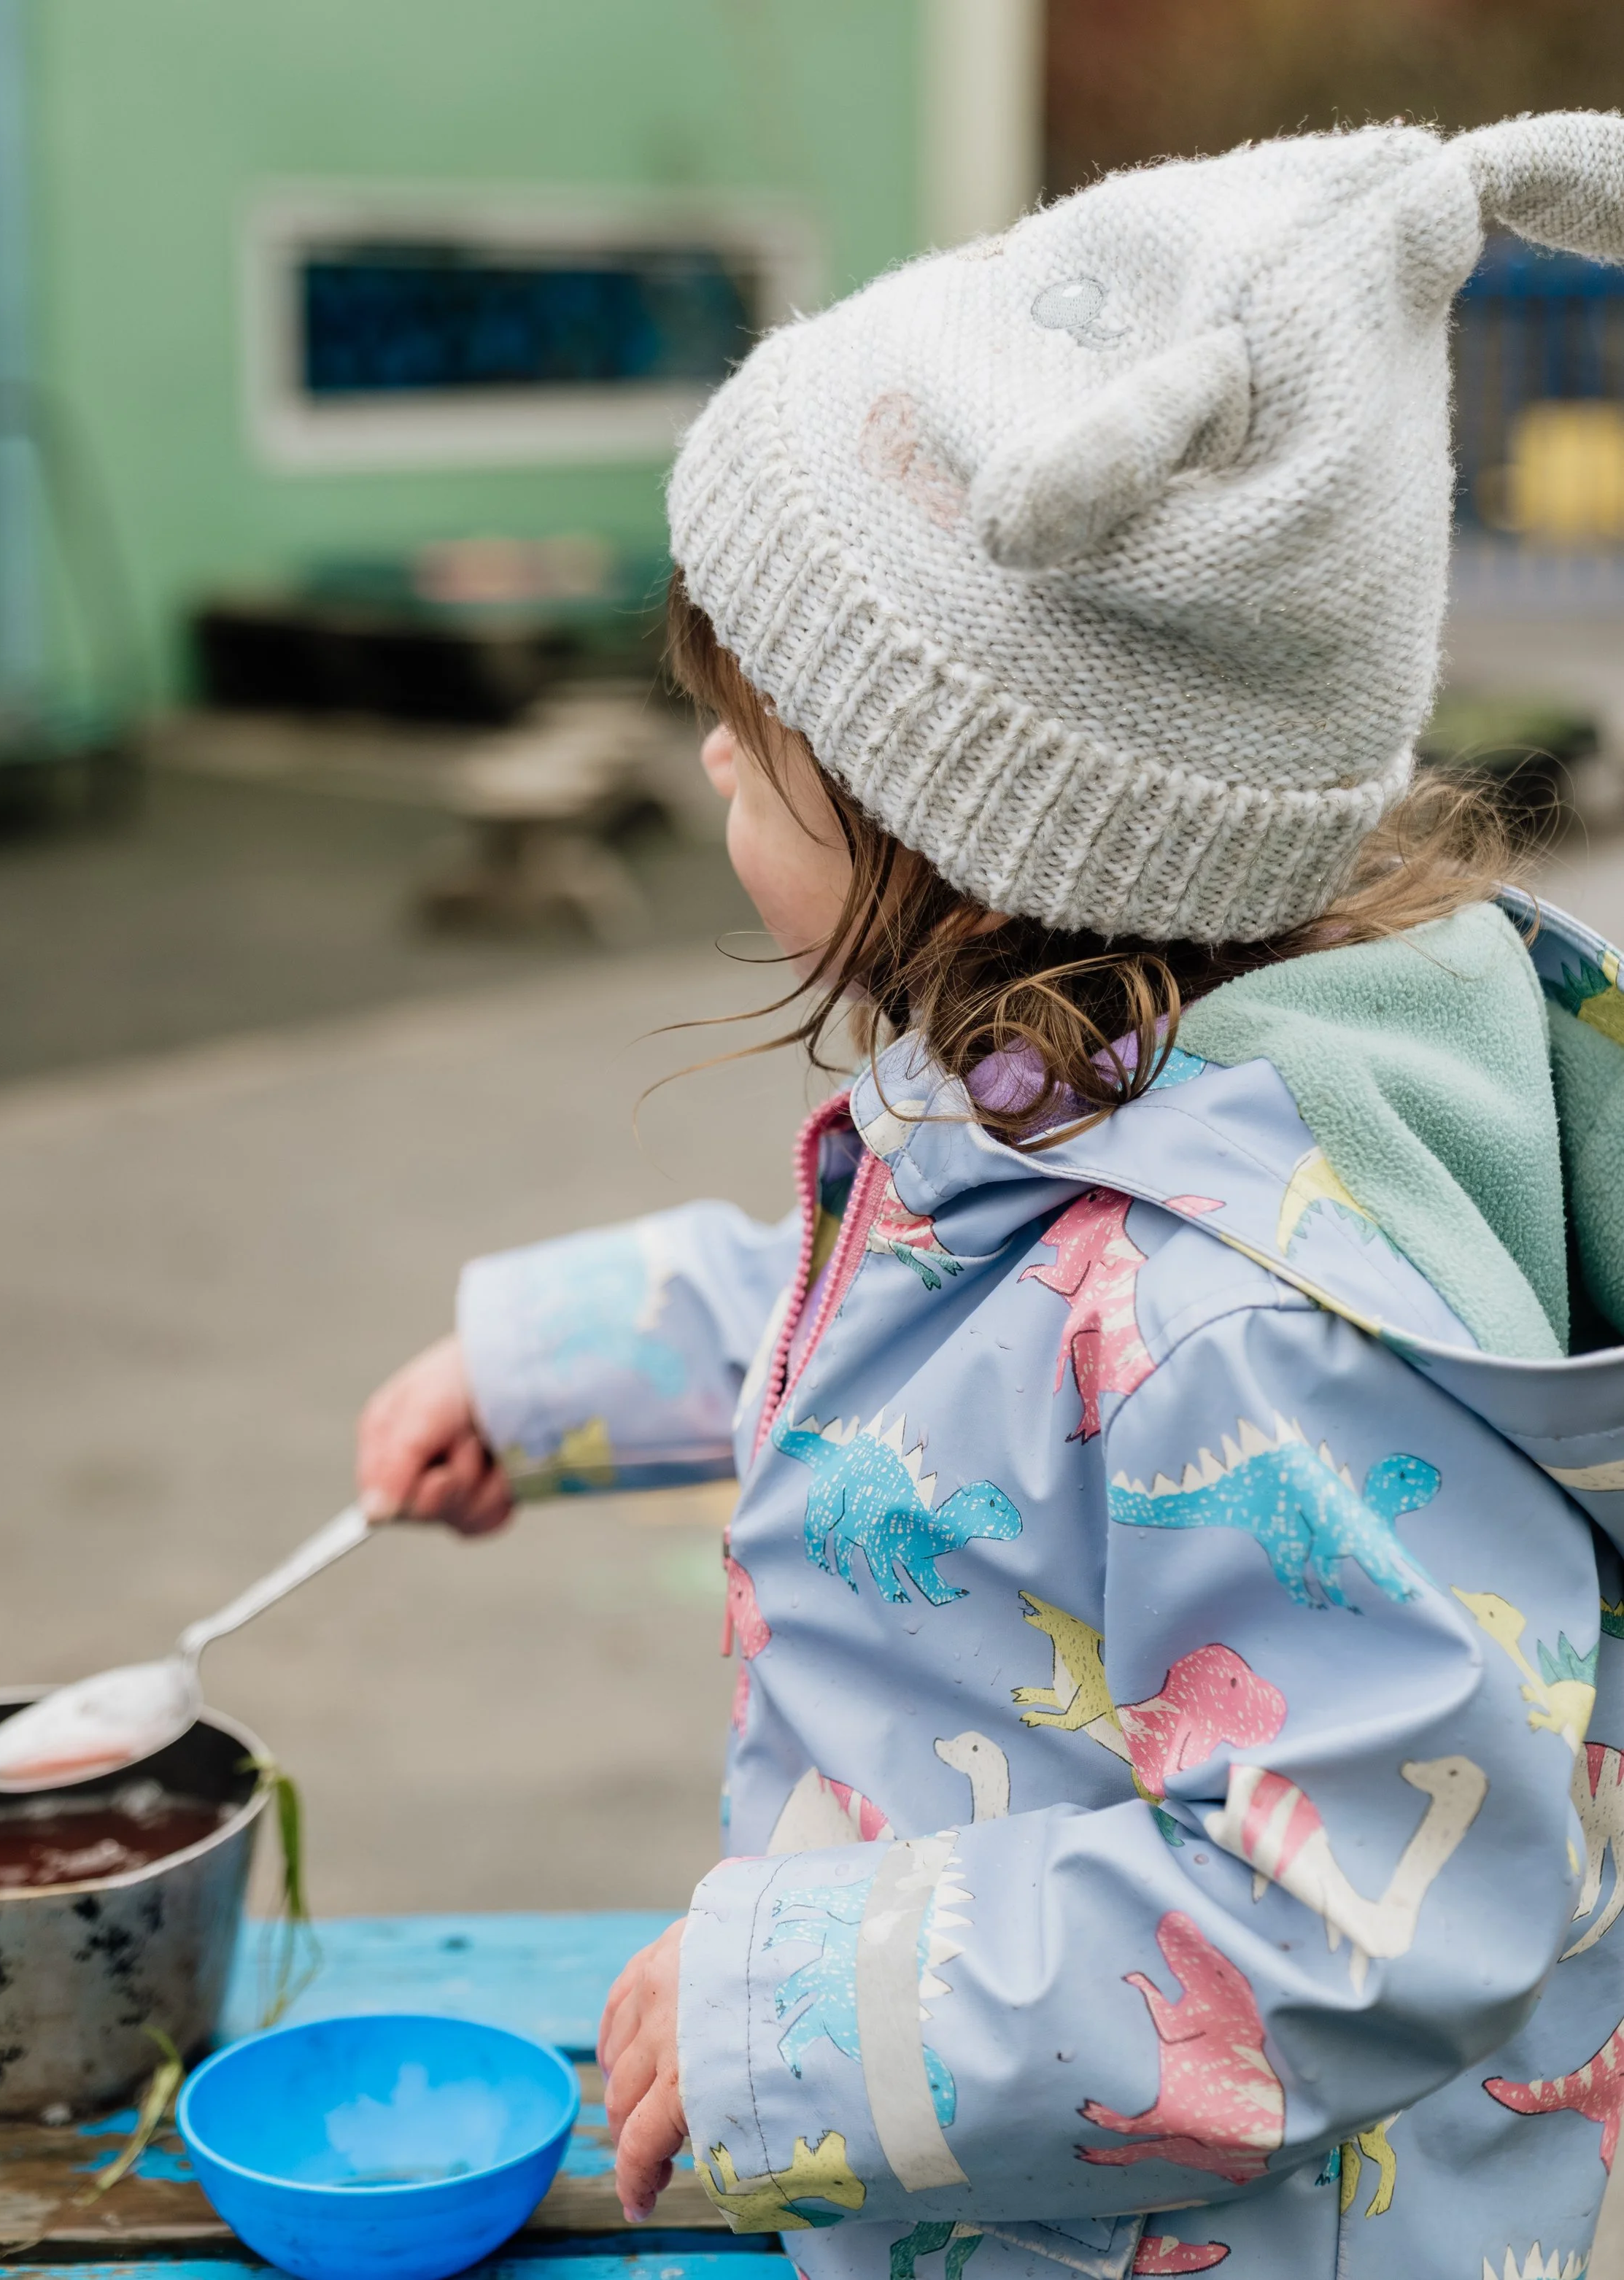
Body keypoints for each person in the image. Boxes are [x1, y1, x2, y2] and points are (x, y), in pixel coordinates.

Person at [357, 113, 1624, 2280]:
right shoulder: (1116, 1052)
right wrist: (552, 1364)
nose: (706, 761)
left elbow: (1371, 1909)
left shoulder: (1248, 1319)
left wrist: (789, 2017)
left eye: (755, 734)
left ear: (966, 824)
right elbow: (939, 1323)